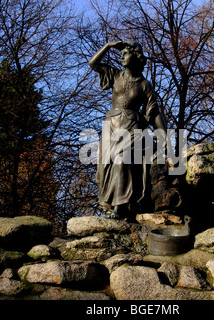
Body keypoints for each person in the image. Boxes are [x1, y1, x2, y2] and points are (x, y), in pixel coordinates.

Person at [89, 40, 167, 220]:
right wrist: (108, 46)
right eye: (121, 53)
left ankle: (120, 206)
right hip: (111, 126)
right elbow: (93, 63)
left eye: (126, 53)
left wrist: (166, 138)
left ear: (137, 56)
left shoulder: (144, 84)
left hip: (132, 128)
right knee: (106, 168)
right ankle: (110, 203)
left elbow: (153, 113)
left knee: (122, 160)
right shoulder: (116, 75)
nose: (122, 56)